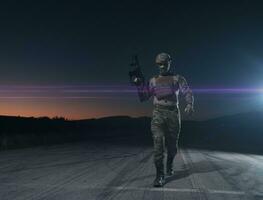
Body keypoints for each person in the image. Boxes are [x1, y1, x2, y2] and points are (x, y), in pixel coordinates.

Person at [135, 52, 194, 187]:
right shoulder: (153, 80)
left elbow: (187, 91)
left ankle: (170, 163)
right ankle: (159, 175)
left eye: (164, 63)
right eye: (159, 64)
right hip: (158, 114)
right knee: (158, 145)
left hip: (173, 114)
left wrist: (190, 104)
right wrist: (139, 85)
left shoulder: (177, 78)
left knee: (172, 147)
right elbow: (144, 97)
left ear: (169, 63)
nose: (161, 66)